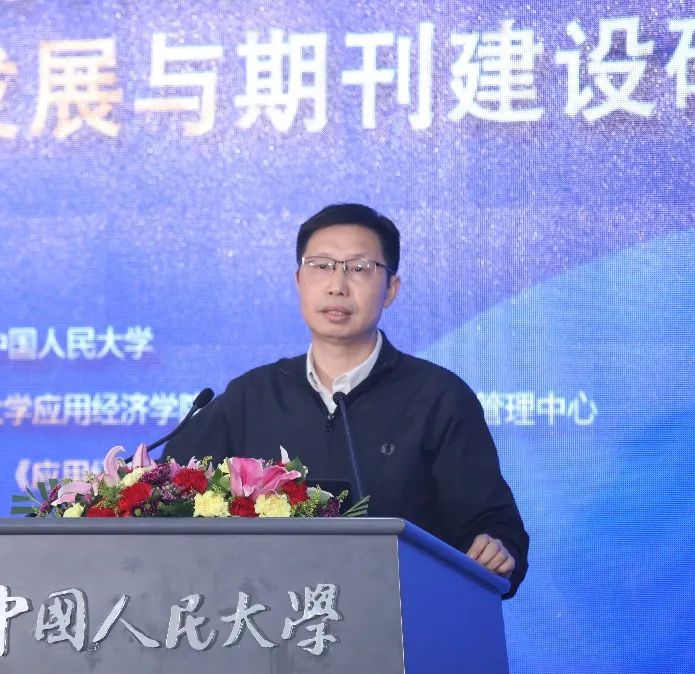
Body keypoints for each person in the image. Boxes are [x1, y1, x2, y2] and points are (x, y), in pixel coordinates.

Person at [162, 203, 529, 598]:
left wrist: (496, 550)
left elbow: (496, 527)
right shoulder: (249, 396)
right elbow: (168, 493)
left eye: (359, 268)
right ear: (299, 280)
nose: (337, 285)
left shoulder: (438, 398)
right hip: (263, 618)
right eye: (321, 266)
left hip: (399, 618)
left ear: (391, 290)